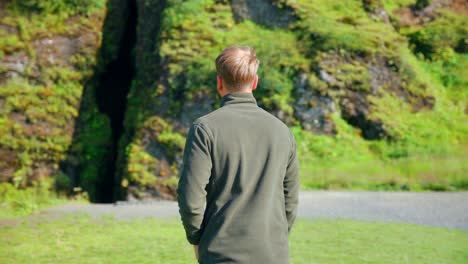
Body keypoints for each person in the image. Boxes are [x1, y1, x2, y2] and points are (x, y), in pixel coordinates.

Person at [176, 45, 300, 264]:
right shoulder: (282, 131)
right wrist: (273, 240)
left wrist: (197, 239)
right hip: (273, 255)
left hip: (220, 254)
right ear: (254, 82)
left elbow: (191, 198)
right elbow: (290, 201)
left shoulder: (205, 129)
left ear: (219, 82)